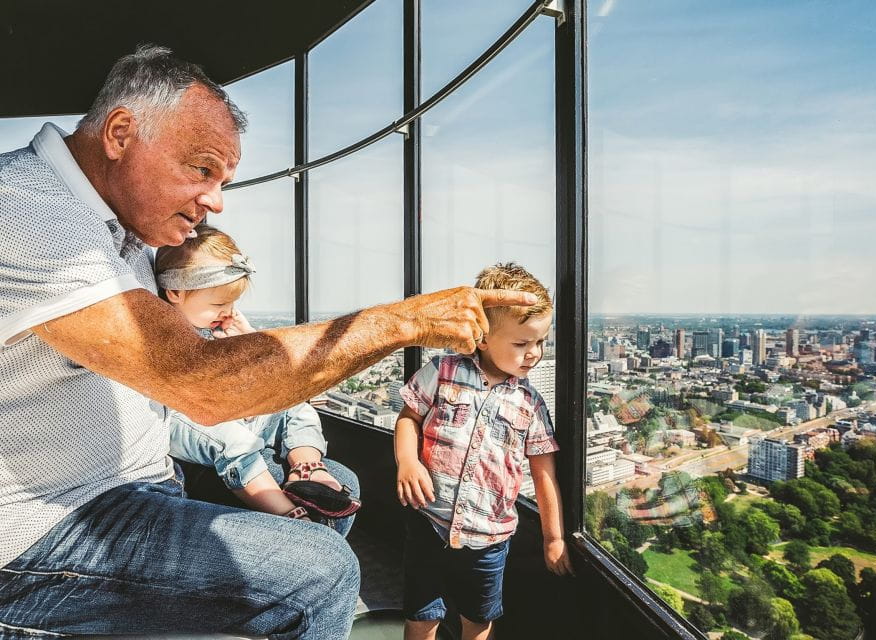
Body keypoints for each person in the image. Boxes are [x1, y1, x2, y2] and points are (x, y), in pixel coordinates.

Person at [0, 45, 535, 639]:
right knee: (321, 572)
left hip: (130, 487)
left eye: (223, 179)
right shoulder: (29, 215)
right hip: (44, 531)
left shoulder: (106, 225)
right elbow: (201, 382)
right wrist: (405, 322)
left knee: (339, 491)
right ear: (121, 134)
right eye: (201, 168)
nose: (216, 201)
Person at [395, 263, 574, 640]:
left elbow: (545, 475)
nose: (534, 354)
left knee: (477, 622)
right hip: (429, 522)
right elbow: (408, 417)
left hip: (488, 540)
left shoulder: (531, 404)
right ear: (482, 337)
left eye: (541, 342)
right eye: (522, 343)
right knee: (421, 615)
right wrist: (408, 461)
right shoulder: (442, 370)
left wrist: (553, 538)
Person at [156, 223, 361, 530]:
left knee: (295, 406)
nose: (227, 311)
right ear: (175, 292)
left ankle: (306, 466)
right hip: (184, 419)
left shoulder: (215, 328)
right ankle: (285, 514)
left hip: (225, 412)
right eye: (218, 304)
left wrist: (246, 340)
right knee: (232, 440)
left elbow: (260, 380)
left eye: (232, 303)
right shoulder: (164, 333)